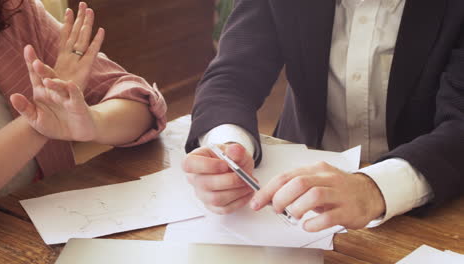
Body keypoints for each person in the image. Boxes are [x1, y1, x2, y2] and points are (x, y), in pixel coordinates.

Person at [182, 0, 464, 232]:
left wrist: (373, 188)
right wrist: (227, 147)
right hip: (290, 202)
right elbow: (233, 75)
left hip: (431, 195)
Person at [0, 0, 167, 196]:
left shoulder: (14, 12)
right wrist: (39, 124)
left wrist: (93, 122)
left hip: (47, 211)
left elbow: (141, 104)